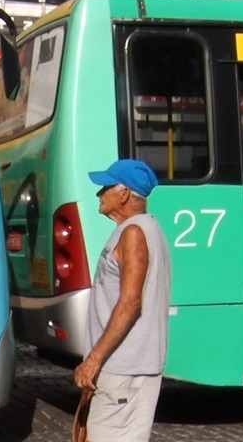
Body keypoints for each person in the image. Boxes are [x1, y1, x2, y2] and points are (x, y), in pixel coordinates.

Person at [74, 158, 171, 442]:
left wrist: (94, 359)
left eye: (105, 187)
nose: (99, 195)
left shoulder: (134, 233)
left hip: (124, 369)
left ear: (125, 193)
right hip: (124, 369)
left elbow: (130, 304)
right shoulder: (141, 230)